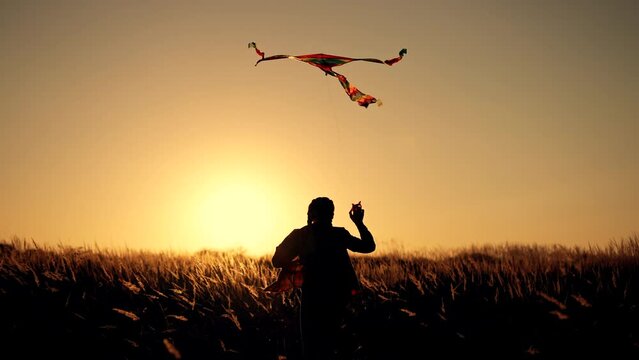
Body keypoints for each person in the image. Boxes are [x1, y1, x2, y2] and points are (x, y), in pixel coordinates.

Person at [272, 197, 376, 360]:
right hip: (339, 300)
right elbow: (368, 246)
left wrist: (300, 262)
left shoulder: (300, 236)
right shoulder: (338, 234)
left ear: (311, 214)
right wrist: (358, 222)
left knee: (311, 350)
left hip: (311, 300)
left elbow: (276, 260)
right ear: (332, 214)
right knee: (335, 349)